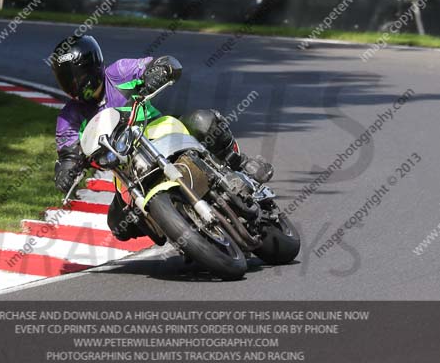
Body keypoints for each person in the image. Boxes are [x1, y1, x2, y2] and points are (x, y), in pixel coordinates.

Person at [50, 34, 273, 241]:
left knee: (203, 122)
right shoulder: (69, 116)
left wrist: (158, 71)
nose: (73, 83)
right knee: (119, 224)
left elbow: (162, 64)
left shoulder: (118, 72)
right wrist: (66, 170)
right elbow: (67, 152)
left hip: (158, 133)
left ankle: (240, 164)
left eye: (75, 76)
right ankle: (177, 228)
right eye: (65, 79)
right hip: (126, 168)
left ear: (91, 67)